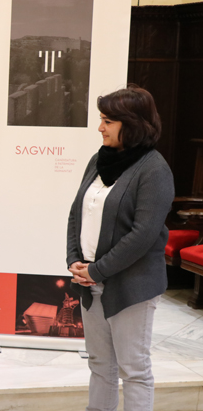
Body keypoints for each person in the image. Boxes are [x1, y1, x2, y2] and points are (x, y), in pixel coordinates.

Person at [66, 86, 174, 411]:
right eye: (101, 119)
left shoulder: (154, 169)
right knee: (100, 365)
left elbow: (143, 235)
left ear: (133, 124)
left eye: (108, 121)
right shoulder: (98, 160)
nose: (100, 127)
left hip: (132, 286)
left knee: (134, 369)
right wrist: (74, 259)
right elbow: (76, 213)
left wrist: (96, 270)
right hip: (90, 281)